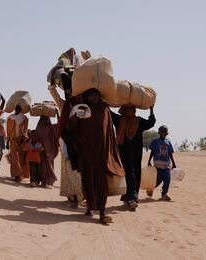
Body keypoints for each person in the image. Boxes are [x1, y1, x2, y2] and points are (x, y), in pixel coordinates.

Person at [64, 88, 125, 224]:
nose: (94, 97)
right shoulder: (82, 109)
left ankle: (102, 212)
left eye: (96, 95)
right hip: (85, 153)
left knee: (102, 184)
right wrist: (75, 117)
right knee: (88, 182)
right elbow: (71, 128)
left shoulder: (104, 108)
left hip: (101, 154)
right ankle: (90, 207)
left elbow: (109, 130)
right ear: (86, 97)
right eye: (91, 95)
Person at [111, 105, 156, 210]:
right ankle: (131, 198)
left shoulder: (139, 121)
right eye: (129, 110)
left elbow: (151, 122)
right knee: (128, 174)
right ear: (124, 111)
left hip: (136, 154)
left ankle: (131, 198)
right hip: (123, 153)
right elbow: (109, 113)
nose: (132, 111)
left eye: (133, 110)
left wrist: (151, 109)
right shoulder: (120, 120)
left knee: (135, 173)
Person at [49, 85, 83, 208]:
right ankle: (72, 195)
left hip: (80, 141)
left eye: (71, 91)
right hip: (66, 141)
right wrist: (52, 87)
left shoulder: (82, 105)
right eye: (67, 92)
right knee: (68, 167)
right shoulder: (64, 105)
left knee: (79, 169)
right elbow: (55, 96)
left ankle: (79, 195)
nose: (69, 94)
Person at [147, 125, 177, 201]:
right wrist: (149, 161)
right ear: (159, 132)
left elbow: (170, 153)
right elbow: (152, 152)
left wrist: (173, 163)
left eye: (165, 131)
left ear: (167, 133)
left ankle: (164, 194)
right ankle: (151, 189)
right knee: (158, 179)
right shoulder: (155, 141)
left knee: (167, 178)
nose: (163, 133)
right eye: (162, 131)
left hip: (166, 164)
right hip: (157, 164)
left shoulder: (168, 142)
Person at [6, 105, 29, 182]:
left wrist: (24, 136)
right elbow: (8, 131)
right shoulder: (11, 118)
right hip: (12, 140)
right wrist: (7, 142)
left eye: (19, 108)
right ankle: (17, 174)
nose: (17, 109)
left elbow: (25, 129)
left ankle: (20, 175)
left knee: (21, 157)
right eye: (16, 108)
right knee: (14, 157)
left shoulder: (25, 118)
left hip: (21, 141)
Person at [36, 115, 59, 187]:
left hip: (46, 150)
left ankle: (46, 182)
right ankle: (44, 181)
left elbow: (59, 126)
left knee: (45, 165)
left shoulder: (49, 127)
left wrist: (58, 115)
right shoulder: (44, 127)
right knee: (43, 166)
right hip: (44, 150)